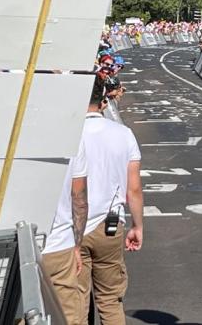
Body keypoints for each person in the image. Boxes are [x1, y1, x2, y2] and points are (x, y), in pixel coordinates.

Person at [77, 75, 143, 325]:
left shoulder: (67, 134)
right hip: (110, 223)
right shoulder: (123, 134)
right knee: (110, 300)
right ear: (103, 101)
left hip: (72, 225)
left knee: (76, 300)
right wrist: (138, 226)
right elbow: (133, 188)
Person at [43, 125, 89, 325]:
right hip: (59, 242)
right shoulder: (70, 134)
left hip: (16, 241)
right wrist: (77, 245)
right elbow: (79, 198)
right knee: (68, 315)